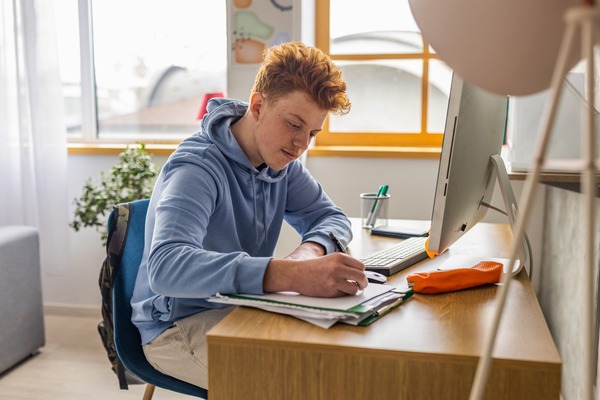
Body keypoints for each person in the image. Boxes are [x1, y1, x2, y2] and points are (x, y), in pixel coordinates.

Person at [131, 41, 367, 389]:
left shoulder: (281, 163)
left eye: (312, 133)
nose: (302, 144)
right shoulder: (196, 168)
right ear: (258, 106)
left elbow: (331, 218)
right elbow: (166, 268)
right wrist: (287, 275)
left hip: (238, 309)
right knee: (301, 384)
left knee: (336, 360)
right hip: (177, 327)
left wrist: (308, 254)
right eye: (293, 124)